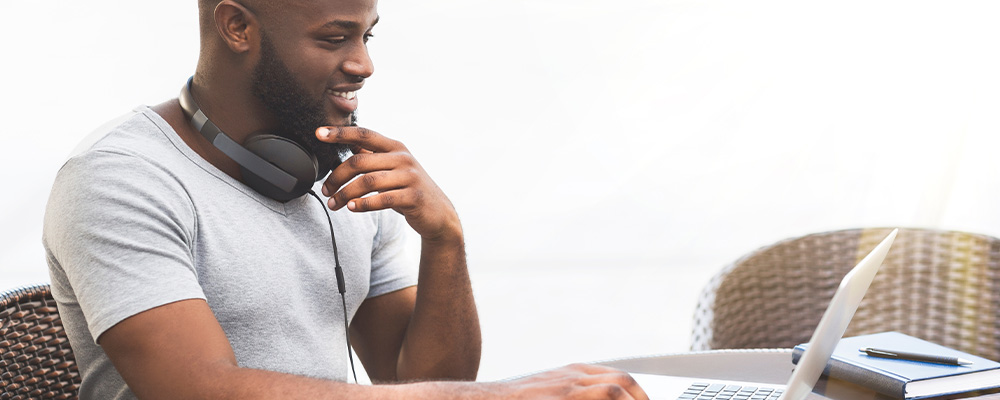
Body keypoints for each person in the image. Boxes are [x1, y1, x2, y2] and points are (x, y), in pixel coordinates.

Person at [42, 0, 649, 399]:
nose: (363, 65)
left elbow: (419, 385)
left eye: (367, 35)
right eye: (335, 38)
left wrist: (444, 238)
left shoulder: (342, 171)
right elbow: (199, 390)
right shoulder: (119, 178)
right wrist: (503, 396)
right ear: (237, 27)